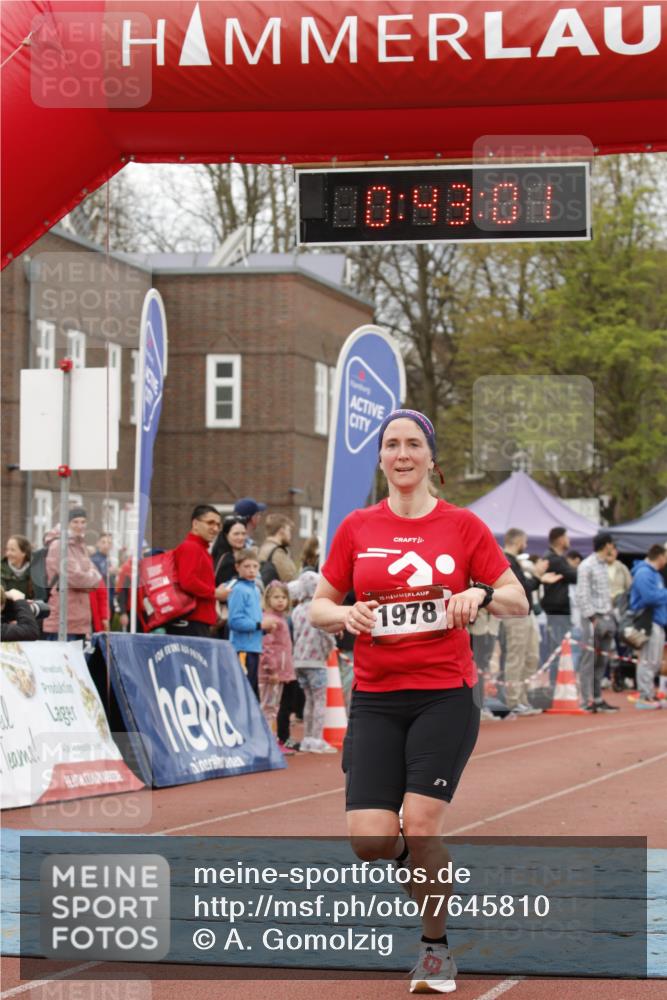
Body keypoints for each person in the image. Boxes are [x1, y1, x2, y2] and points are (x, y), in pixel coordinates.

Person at [310, 408, 527, 993]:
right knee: (371, 841)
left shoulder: (463, 527)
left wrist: (478, 594)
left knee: (422, 823)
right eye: (391, 445)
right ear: (380, 459)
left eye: (413, 445)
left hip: (443, 696)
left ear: (431, 458)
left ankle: (435, 950)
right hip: (376, 698)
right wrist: (345, 613)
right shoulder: (357, 527)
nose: (402, 455)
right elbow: (318, 606)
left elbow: (517, 598)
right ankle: (435, 875)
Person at [499, 528, 544, 716]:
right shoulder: (504, 560)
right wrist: (538, 576)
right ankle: (513, 700)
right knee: (516, 657)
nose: (525, 545)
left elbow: (526, 586)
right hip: (514, 616)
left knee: (531, 656)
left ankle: (523, 698)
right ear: (518, 542)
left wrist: (537, 579)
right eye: (524, 542)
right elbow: (521, 588)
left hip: (527, 614)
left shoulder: (516, 561)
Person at [293, 570, 337, 753]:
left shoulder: (296, 611)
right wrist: (331, 648)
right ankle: (317, 739)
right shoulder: (315, 610)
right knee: (319, 701)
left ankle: (307, 738)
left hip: (299, 661)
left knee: (308, 700)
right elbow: (326, 635)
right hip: (316, 661)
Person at [575, 532, 619, 713]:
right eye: (611, 544)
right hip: (592, 618)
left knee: (602, 660)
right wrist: (592, 618)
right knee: (589, 659)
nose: (613, 548)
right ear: (606, 545)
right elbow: (582, 594)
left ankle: (598, 697)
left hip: (606, 615)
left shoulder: (603, 565)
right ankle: (586, 699)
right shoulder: (587, 565)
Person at [168, 504, 227, 637]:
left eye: (218, 525)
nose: (215, 528)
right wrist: (215, 593)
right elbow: (188, 581)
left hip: (195, 621)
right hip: (190, 622)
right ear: (195, 523)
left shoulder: (200, 549)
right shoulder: (192, 547)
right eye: (210, 523)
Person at [42, 508, 102, 640]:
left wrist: (89, 578)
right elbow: (75, 579)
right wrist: (89, 578)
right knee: (58, 660)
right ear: (67, 524)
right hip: (61, 620)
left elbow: (96, 578)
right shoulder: (59, 545)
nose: (80, 526)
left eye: (83, 522)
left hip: (79, 620)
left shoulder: (80, 545)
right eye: (75, 522)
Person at [227, 547, 276, 698]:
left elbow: (253, 618)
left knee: (251, 693)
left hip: (254, 648)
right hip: (242, 648)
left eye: (254, 566)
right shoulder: (239, 590)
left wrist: (264, 628)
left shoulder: (255, 589)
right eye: (246, 566)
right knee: (242, 693)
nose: (251, 570)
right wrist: (259, 625)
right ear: (237, 567)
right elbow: (234, 621)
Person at [259, 580, 296, 753]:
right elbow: (267, 647)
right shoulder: (271, 621)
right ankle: (265, 743)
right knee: (268, 706)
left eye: (283, 597)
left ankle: (269, 741)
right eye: (276, 597)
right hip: (271, 673)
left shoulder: (282, 619)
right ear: (268, 599)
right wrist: (272, 670)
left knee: (273, 707)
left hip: (280, 672)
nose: (280, 600)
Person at [629, 543, 667, 709]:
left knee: (654, 661)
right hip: (648, 622)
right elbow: (649, 596)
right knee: (647, 660)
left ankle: (649, 694)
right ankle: (644, 696)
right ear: (660, 556)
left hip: (657, 621)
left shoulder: (654, 574)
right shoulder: (644, 572)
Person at [541, 526, 575, 681]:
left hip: (559, 611)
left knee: (560, 649)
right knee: (557, 649)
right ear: (560, 539)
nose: (569, 541)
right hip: (557, 612)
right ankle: (556, 685)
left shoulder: (555, 558)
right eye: (567, 537)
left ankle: (559, 683)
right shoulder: (554, 559)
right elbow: (574, 575)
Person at [257, 514, 298, 583]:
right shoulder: (277, 552)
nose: (290, 535)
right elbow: (289, 580)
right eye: (288, 530)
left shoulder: (261, 549)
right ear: (281, 531)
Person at [212, 516, 248, 587]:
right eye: (236, 534)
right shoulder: (227, 561)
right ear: (226, 535)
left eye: (243, 534)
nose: (241, 537)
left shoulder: (241, 555)